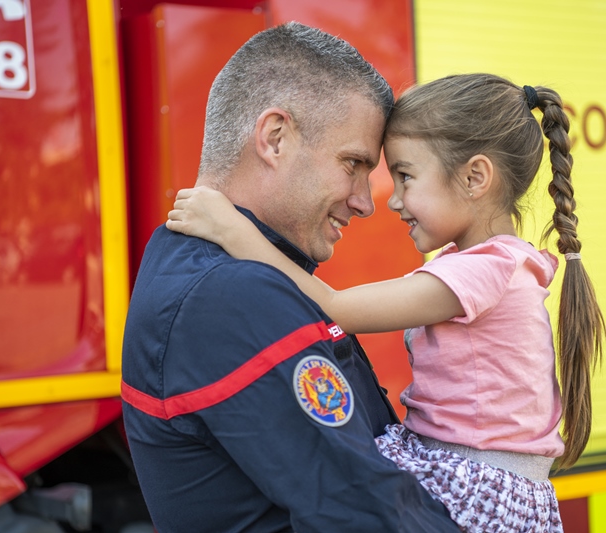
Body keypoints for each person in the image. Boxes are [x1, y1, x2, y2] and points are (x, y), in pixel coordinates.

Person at [166, 73, 606, 532]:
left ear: (475, 177)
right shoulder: (491, 264)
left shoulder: (484, 271)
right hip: (477, 474)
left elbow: (333, 308)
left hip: (474, 485)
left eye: (406, 177)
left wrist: (232, 230)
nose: (391, 201)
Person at [120, 21, 462, 533]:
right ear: (274, 138)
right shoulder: (229, 296)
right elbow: (367, 512)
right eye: (353, 164)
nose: (366, 203)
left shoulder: (196, 265)